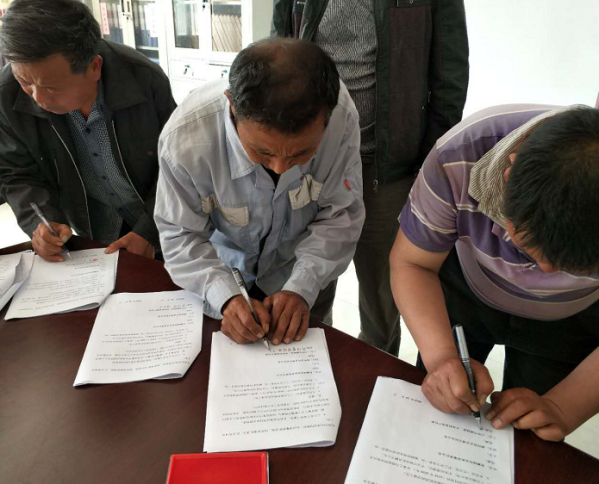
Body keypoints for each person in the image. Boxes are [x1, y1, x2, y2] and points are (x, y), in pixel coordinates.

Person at [390, 104, 599, 441]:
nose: (546, 272)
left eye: (577, 267)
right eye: (529, 246)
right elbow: (413, 263)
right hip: (468, 291)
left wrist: (564, 407)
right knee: (445, 395)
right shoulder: (459, 155)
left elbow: (559, 409)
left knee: (532, 431)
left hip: (571, 320)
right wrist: (441, 356)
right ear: (509, 174)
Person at [271, 0, 469, 355]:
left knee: (382, 300)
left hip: (387, 170)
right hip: (311, 164)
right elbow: (277, 54)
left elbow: (449, 78)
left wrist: (428, 165)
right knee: (306, 287)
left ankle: (374, 376)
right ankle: (307, 370)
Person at [155, 38, 365, 346]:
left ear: (327, 117)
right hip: (224, 269)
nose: (280, 167)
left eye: (301, 153)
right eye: (262, 152)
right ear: (232, 105)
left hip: (303, 266)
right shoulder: (186, 140)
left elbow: (340, 215)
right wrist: (223, 296)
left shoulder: (340, 120)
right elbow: (179, 235)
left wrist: (302, 287)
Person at [0, 0, 176, 261]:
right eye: (25, 82)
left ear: (94, 67)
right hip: (93, 226)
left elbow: (176, 165)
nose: (37, 98)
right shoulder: (7, 94)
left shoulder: (144, 79)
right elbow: (18, 173)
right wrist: (42, 223)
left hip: (159, 216)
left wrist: (149, 231)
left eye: (51, 88)